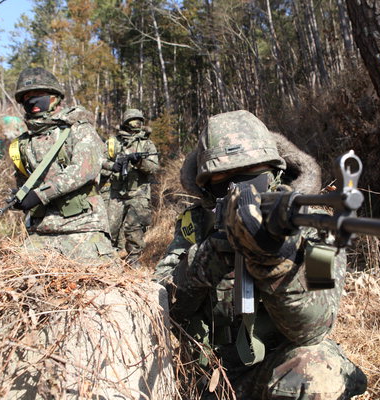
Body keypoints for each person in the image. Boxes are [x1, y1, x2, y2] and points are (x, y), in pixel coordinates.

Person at [155, 110, 367, 399]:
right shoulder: (195, 225)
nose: (238, 190)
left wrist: (275, 263)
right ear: (205, 186)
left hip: (274, 371)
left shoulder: (313, 225)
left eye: (251, 176)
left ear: (276, 173)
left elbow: (313, 329)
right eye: (222, 181)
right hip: (207, 378)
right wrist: (210, 255)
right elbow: (161, 306)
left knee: (317, 370)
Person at [8, 67, 114, 261]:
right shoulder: (23, 143)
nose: (32, 101)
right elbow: (24, 182)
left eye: (38, 95)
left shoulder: (78, 129)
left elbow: (84, 171)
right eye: (26, 97)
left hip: (83, 227)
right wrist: (21, 196)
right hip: (41, 230)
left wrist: (40, 195)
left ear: (54, 97)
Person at [100, 109, 159, 266]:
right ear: (125, 123)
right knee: (109, 228)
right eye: (132, 121)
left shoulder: (146, 144)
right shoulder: (113, 143)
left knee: (135, 230)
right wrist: (115, 166)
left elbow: (153, 168)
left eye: (138, 121)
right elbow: (99, 162)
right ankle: (109, 261)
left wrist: (139, 162)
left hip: (138, 193)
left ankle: (134, 261)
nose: (136, 124)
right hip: (115, 192)